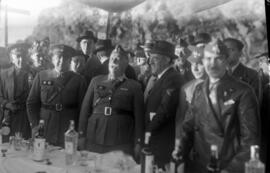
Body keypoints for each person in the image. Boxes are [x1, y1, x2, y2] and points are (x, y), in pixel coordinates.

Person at [176, 40, 260, 173]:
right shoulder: (199, 89)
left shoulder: (243, 91)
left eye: (218, 58)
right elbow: (188, 126)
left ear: (226, 61)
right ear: (203, 61)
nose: (212, 64)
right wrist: (179, 152)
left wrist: (231, 168)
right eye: (208, 58)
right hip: (198, 164)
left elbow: (250, 140)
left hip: (225, 164)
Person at [78, 45, 144, 160]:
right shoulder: (96, 81)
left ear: (126, 63)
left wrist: (138, 142)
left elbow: (139, 117)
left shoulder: (134, 86)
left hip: (120, 140)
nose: (113, 61)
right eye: (112, 58)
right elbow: (85, 110)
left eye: (117, 58)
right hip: (94, 136)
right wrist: (81, 134)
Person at [26, 44, 87, 147]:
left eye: (66, 58)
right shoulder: (42, 76)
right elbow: (32, 103)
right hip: (45, 126)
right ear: (53, 59)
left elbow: (83, 109)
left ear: (70, 60)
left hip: (68, 127)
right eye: (58, 57)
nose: (62, 61)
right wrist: (35, 125)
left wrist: (80, 132)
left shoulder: (79, 80)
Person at [144, 40, 183, 170]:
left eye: (155, 58)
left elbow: (165, 110)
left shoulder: (173, 78)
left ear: (167, 60)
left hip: (163, 141)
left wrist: (148, 131)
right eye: (150, 58)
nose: (150, 62)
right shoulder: (163, 77)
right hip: (157, 139)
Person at [174, 46, 206, 144]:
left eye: (200, 64)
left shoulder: (219, 85)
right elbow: (181, 118)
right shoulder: (186, 88)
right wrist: (178, 143)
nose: (195, 68)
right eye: (193, 64)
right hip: (192, 140)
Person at [0, 43, 31, 141]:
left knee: (25, 147)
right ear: (11, 58)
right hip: (8, 118)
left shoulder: (35, 74)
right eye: (18, 56)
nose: (21, 59)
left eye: (23, 56)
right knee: (7, 149)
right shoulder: (3, 75)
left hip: (26, 119)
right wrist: (7, 104)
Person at [223, 38, 261, 102]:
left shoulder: (252, 75)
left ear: (240, 53)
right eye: (224, 50)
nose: (227, 53)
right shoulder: (216, 74)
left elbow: (253, 103)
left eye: (231, 50)